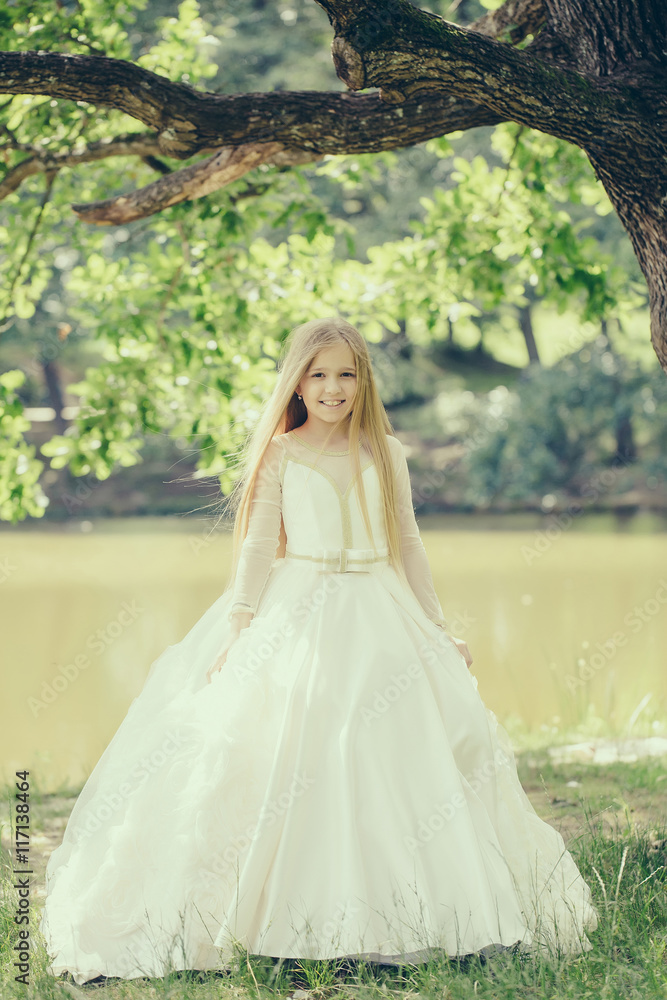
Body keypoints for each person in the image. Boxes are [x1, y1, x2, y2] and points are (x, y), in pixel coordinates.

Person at [40, 316, 598, 985]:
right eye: (319, 374)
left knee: (403, 739)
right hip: (299, 601)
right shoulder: (281, 453)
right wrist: (241, 619)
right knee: (295, 740)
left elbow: (409, 543)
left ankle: (414, 912)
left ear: (362, 380)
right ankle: (283, 911)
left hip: (377, 601)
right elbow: (256, 545)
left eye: (346, 374)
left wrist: (437, 625)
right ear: (297, 383)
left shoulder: (384, 452)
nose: (333, 388)